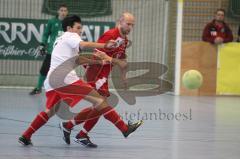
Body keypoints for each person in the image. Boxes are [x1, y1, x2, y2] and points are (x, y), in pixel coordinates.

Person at [18, 15, 142, 147]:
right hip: (65, 79)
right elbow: (86, 44)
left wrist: (99, 61)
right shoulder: (71, 36)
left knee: (50, 111)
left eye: (81, 28)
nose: (80, 30)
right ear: (69, 28)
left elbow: (77, 60)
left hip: (52, 80)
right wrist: (105, 45)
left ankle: (26, 136)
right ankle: (124, 128)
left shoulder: (60, 40)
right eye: (78, 27)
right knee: (100, 101)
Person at [60, 12, 138, 148]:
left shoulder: (124, 40)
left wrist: (124, 77)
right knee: (102, 104)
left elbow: (122, 59)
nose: (130, 27)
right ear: (120, 22)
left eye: (133, 25)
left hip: (103, 75)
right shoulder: (110, 35)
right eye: (128, 24)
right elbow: (96, 52)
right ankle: (124, 128)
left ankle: (71, 128)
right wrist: (94, 67)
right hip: (96, 73)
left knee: (99, 107)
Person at [29, 4, 68, 95]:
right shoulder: (52, 21)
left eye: (65, 10)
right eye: (61, 10)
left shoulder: (69, 23)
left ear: (67, 12)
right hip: (52, 51)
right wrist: (42, 45)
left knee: (64, 71)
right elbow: (46, 34)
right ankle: (38, 88)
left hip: (64, 52)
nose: (63, 12)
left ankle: (63, 90)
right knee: (44, 70)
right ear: (58, 11)